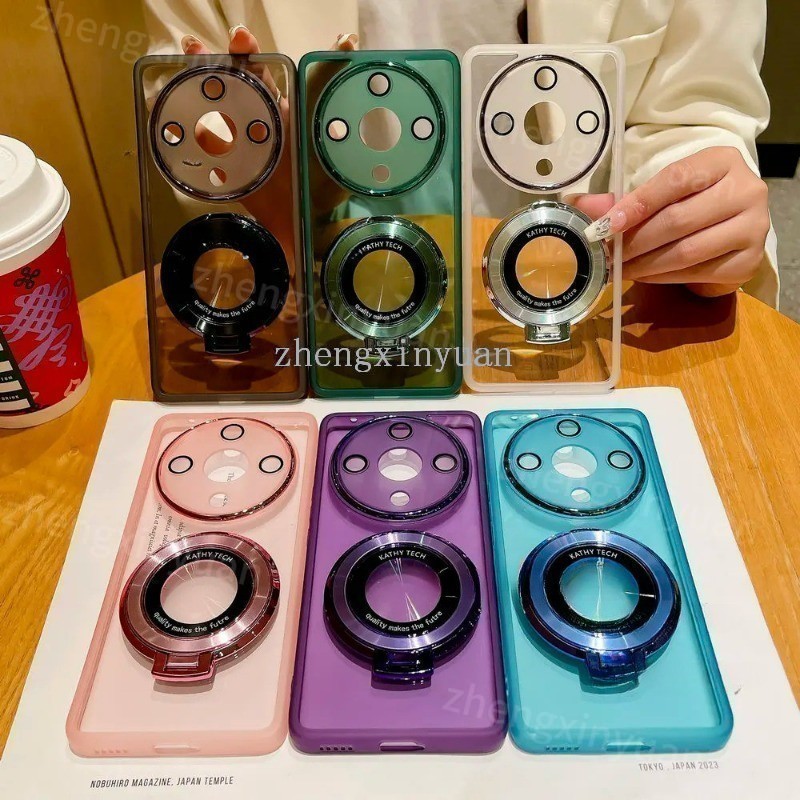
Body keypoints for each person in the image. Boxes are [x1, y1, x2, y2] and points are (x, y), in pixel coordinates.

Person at [143, 0, 778, 306]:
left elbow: (696, 109)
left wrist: (693, 205)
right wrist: (263, 185)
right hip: (327, 302)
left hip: (583, 305)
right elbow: (189, 111)